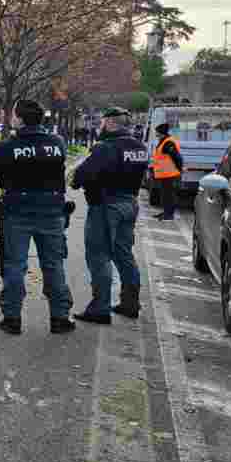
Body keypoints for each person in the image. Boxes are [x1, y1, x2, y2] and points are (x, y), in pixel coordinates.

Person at [0, 99, 74, 335]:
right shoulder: (57, 143)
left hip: (17, 211)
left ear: (19, 119)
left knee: (15, 265)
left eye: (13, 114)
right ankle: (59, 317)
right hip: (52, 211)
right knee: (54, 264)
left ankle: (12, 318)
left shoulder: (7, 146)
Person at [70, 106, 149, 324]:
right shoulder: (139, 147)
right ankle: (130, 302)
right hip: (129, 203)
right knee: (124, 253)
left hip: (105, 205)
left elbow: (81, 175)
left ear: (111, 123)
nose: (100, 126)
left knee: (99, 255)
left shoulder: (105, 147)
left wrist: (77, 180)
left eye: (102, 122)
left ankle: (100, 307)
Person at [151, 122, 183, 220]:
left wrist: (179, 169)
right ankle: (165, 212)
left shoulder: (168, 142)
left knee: (169, 195)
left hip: (170, 174)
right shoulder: (163, 141)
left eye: (157, 132)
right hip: (164, 174)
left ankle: (169, 214)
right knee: (165, 195)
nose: (156, 134)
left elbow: (177, 157)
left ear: (161, 132)